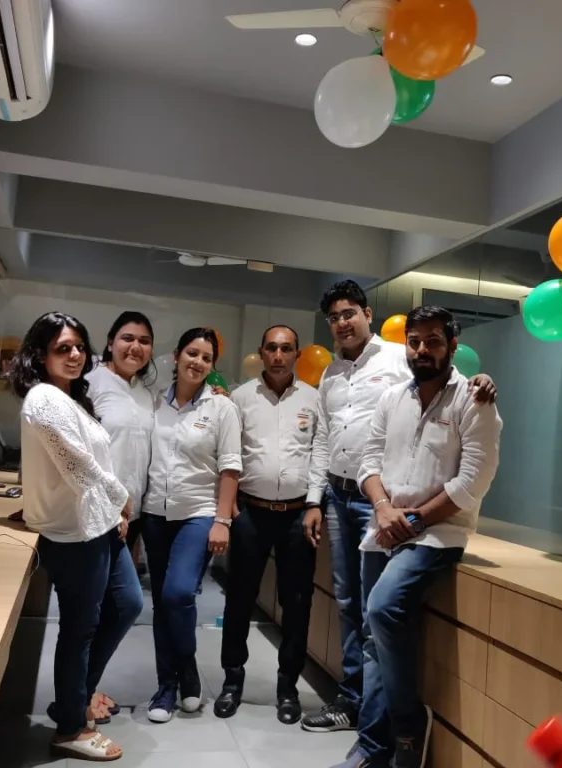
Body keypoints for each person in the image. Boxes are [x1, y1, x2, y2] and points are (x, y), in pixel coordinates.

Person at [301, 281, 497, 734]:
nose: (342, 323)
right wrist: (316, 498)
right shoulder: (331, 374)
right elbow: (324, 440)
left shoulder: (399, 358)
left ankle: (383, 720)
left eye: (349, 313)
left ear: (367, 314)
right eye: (334, 318)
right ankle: (353, 699)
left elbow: (450, 387)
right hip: (344, 495)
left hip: (388, 506)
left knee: (377, 610)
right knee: (349, 602)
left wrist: (484, 379)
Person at [347, 306, 502, 768]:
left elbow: (473, 481)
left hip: (437, 535)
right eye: (414, 341)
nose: (421, 350)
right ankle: (372, 749)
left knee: (381, 608)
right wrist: (383, 508)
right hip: (384, 528)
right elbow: (368, 462)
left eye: (433, 341)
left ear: (452, 346)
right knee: (371, 636)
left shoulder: (474, 401)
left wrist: (413, 522)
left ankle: (409, 729)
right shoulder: (392, 398)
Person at [13, 311, 142, 762]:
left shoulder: (71, 397)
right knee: (79, 630)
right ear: (40, 354)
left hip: (99, 525)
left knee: (128, 604)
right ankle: (70, 726)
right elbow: (79, 468)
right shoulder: (44, 398)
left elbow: (93, 463)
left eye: (79, 347)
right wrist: (121, 498)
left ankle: (75, 697)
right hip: (74, 534)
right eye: (62, 348)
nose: (74, 355)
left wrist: (113, 510)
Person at [215, 325, 318, 724]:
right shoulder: (240, 398)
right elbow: (226, 454)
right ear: (261, 352)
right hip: (250, 514)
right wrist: (229, 509)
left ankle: (288, 687)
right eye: (272, 348)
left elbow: (321, 452)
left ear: (297, 354)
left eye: (286, 349)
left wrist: (315, 503)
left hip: (297, 516)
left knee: (297, 603)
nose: (278, 356)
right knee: (239, 599)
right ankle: (232, 681)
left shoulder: (313, 399)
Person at [142, 327, 243, 723]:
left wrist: (222, 521)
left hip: (199, 512)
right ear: (176, 356)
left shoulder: (222, 409)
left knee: (178, 594)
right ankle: (167, 686)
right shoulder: (153, 403)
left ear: (212, 365)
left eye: (206, 357)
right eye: (192, 353)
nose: (198, 362)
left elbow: (230, 468)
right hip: (155, 513)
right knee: (161, 603)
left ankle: (186, 669)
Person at [86, 311, 158, 575]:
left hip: (133, 513)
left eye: (144, 341)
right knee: (97, 590)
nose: (136, 347)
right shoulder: (89, 383)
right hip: (96, 511)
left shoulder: (146, 393)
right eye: (127, 338)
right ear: (110, 343)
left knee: (118, 594)